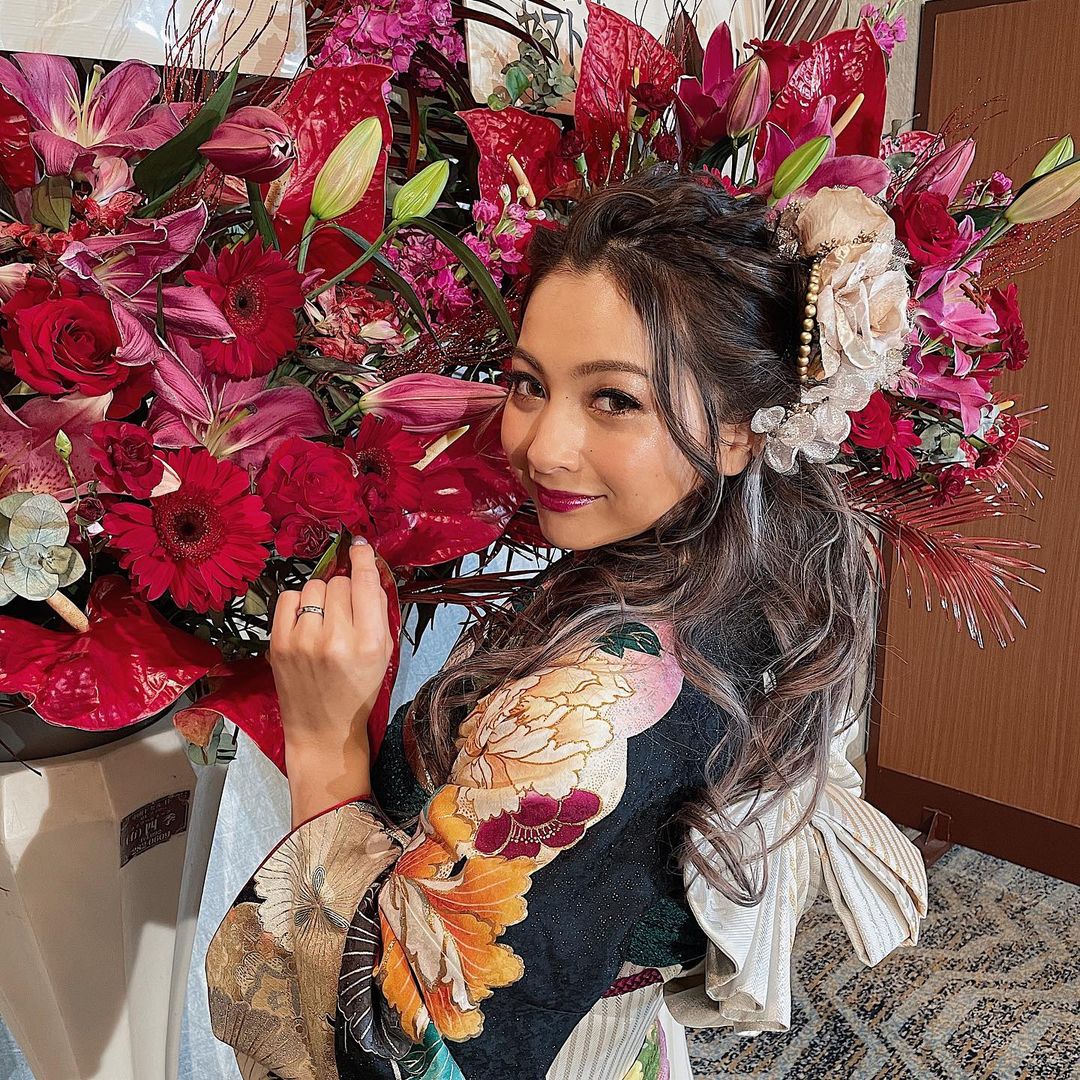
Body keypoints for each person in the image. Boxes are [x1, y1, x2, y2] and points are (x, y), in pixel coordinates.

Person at [205, 166, 927, 1080]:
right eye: (528, 384)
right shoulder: (777, 566)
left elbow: (405, 1051)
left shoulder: (595, 710)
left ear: (740, 431)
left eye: (614, 400)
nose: (543, 446)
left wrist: (325, 749)